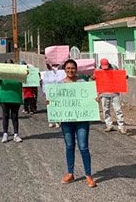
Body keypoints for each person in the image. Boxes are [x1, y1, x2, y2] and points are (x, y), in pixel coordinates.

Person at [46, 59, 97, 188]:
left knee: (83, 147)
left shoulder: (82, 83)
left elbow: (89, 97)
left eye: (73, 68)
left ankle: (88, 175)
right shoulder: (60, 84)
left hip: (81, 120)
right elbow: (54, 100)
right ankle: (70, 173)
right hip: (66, 121)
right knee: (69, 146)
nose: (70, 70)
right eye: (68, 68)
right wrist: (50, 102)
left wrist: (94, 99)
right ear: (64, 70)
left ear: (76, 69)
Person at [96, 58, 127, 134]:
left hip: (114, 92)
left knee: (118, 109)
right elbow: (97, 83)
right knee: (105, 110)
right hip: (104, 93)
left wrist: (124, 77)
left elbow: (119, 77)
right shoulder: (98, 70)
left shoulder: (114, 68)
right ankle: (109, 125)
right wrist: (98, 95)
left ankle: (121, 127)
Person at [0, 59, 24, 143]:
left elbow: (25, 78)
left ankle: (16, 134)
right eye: (7, 64)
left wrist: (26, 73)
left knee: (14, 116)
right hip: (5, 97)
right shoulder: (1, 73)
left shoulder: (18, 72)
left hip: (15, 97)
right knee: (5, 115)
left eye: (10, 64)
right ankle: (5, 134)